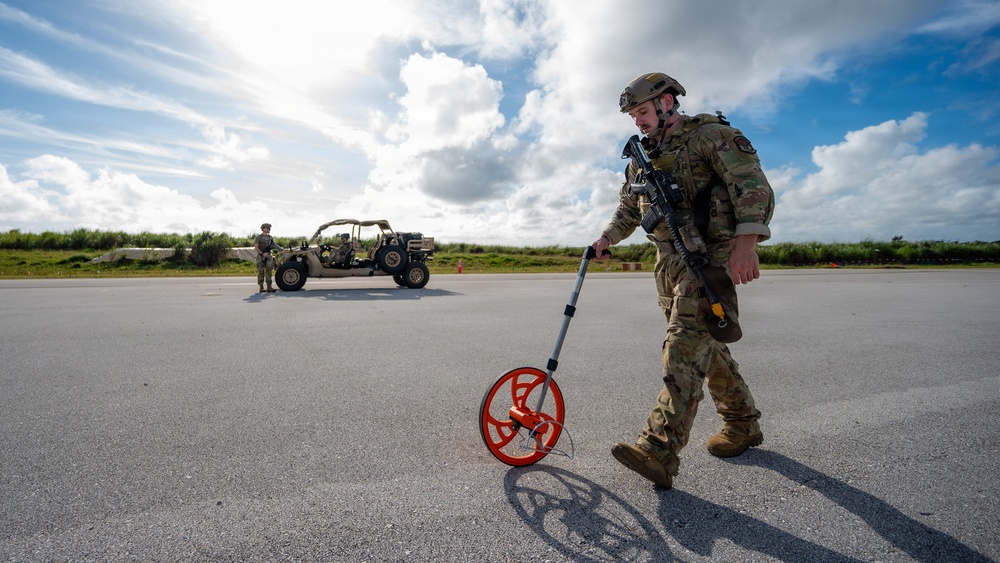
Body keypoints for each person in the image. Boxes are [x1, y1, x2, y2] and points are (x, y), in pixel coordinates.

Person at [593, 73, 775, 489]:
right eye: (632, 115)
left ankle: (658, 449)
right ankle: (742, 423)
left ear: (668, 102)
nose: (637, 121)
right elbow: (629, 208)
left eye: (641, 111)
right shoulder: (642, 156)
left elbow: (753, 186)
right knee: (704, 348)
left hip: (710, 257)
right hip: (669, 264)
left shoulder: (711, 135)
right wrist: (606, 238)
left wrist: (747, 244)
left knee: (682, 348)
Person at [253, 223, 282, 292]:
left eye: (269, 228)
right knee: (261, 271)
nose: (269, 229)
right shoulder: (258, 237)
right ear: (263, 229)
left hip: (268, 256)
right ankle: (261, 287)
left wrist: (282, 249)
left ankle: (269, 287)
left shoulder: (270, 238)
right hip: (261, 256)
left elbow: (274, 245)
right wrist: (262, 253)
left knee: (269, 270)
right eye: (267, 228)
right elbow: (256, 247)